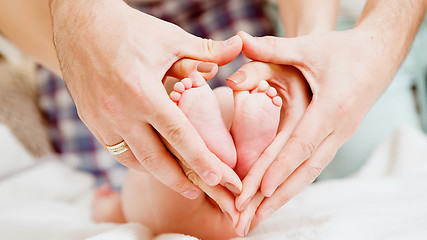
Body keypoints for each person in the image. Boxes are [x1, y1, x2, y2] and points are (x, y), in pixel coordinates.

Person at [92, 66, 309, 238]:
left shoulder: (123, 194)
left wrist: (101, 204)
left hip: (175, 213)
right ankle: (241, 156)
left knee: (167, 167)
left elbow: (106, 213)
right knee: (225, 105)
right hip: (246, 210)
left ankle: (206, 147)